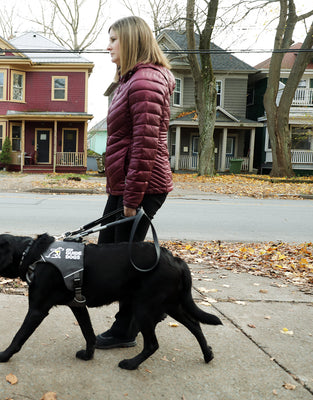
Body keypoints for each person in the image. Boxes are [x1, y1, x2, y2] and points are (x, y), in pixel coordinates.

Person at [95, 16, 175, 349]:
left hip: (141, 186)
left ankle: (128, 328)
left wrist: (131, 198)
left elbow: (145, 144)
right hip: (128, 185)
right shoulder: (133, 80)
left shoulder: (144, 82)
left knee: (121, 264)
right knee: (108, 255)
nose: (108, 45)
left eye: (113, 39)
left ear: (131, 40)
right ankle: (148, 309)